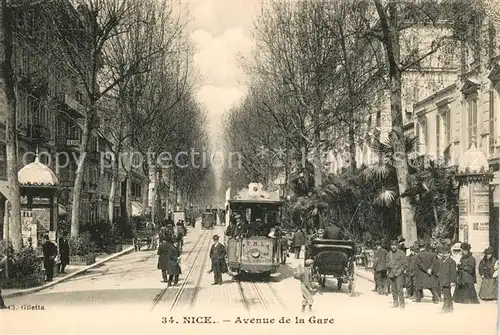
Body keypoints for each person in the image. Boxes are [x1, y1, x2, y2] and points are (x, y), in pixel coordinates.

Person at [386, 240, 408, 309]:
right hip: (391, 273)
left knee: (399, 289)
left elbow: (405, 264)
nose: (393, 247)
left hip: (399, 274)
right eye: (392, 245)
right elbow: (386, 263)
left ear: (397, 246)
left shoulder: (402, 253)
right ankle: (395, 302)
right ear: (390, 246)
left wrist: (400, 270)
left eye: (395, 245)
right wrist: (388, 265)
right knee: (393, 289)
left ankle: (402, 304)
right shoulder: (389, 254)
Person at [437, 246, 457, 313]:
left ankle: (445, 308)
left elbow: (453, 272)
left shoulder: (452, 261)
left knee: (446, 295)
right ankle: (450, 307)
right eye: (443, 253)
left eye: (445, 253)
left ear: (449, 254)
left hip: (447, 280)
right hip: (443, 280)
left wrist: (452, 281)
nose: (444, 255)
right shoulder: (442, 261)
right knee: (447, 294)